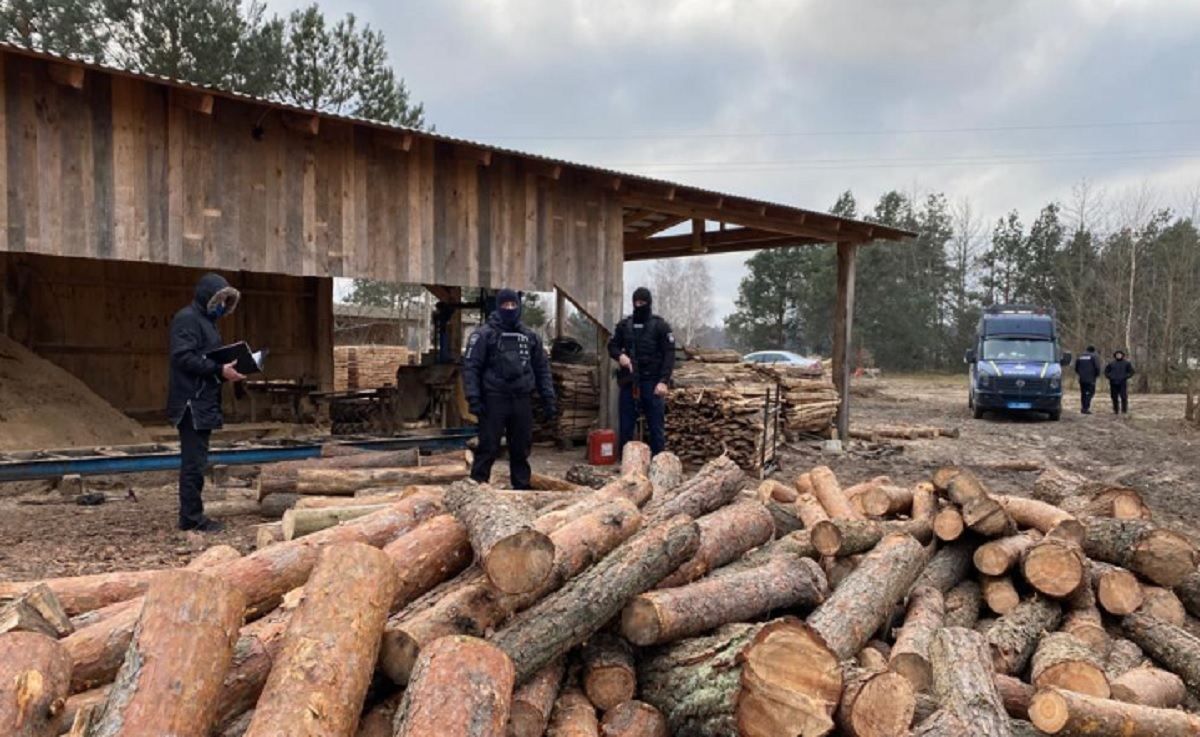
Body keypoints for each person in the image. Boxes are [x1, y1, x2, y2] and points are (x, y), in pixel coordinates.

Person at [167, 273, 244, 532]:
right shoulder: (188, 319)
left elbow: (206, 360)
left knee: (198, 460)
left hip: (203, 399)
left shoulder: (206, 322)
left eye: (226, 301)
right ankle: (191, 517)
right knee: (193, 462)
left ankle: (192, 513)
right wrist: (218, 369)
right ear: (207, 297)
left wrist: (223, 369)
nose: (222, 306)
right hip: (192, 402)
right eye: (219, 300)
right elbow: (183, 358)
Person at [463, 288, 556, 490]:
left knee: (521, 447)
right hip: (493, 399)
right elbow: (471, 367)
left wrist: (548, 398)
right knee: (488, 446)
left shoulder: (530, 336)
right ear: (498, 307)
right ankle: (476, 487)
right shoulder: (483, 335)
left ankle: (521, 488)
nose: (510, 308)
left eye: (513, 305)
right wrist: (474, 398)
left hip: (521, 398)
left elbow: (542, 368)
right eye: (505, 305)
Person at [608, 287, 675, 455]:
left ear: (649, 303)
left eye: (642, 303)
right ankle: (626, 462)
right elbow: (612, 346)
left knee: (655, 426)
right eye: (636, 302)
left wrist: (663, 381)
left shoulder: (660, 326)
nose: (639, 305)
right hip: (630, 382)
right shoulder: (625, 325)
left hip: (653, 383)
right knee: (626, 424)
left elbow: (669, 354)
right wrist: (620, 357)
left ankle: (659, 462)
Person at [1104, 349, 1135, 415]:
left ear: (1122, 355)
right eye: (1117, 355)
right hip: (1113, 383)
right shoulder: (1111, 363)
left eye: (1120, 354)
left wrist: (1126, 377)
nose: (1118, 356)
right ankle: (1116, 410)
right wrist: (1110, 377)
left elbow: (1132, 372)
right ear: (1115, 356)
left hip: (1122, 383)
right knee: (1114, 397)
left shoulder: (1126, 363)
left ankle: (1124, 410)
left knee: (1124, 397)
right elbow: (1106, 372)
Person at [1074, 345, 1102, 414]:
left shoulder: (1080, 357)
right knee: (1090, 393)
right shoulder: (1094, 356)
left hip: (1082, 379)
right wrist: (1096, 375)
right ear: (1093, 350)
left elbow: (1076, 368)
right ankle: (1086, 408)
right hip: (1091, 378)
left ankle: (1083, 407)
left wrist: (1080, 374)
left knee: (1083, 393)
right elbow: (1097, 367)